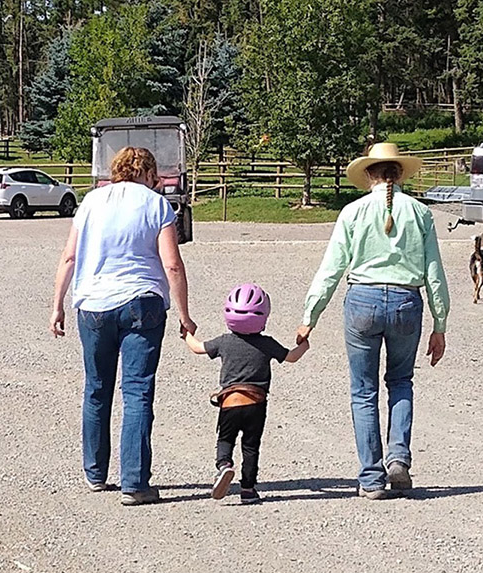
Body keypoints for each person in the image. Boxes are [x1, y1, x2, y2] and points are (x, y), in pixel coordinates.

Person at [297, 142, 450, 500]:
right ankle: (398, 457)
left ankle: (371, 477)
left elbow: (331, 268)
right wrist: (440, 323)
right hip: (405, 301)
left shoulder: (352, 212)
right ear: (398, 174)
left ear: (368, 174)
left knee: (363, 391)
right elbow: (434, 274)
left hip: (362, 300)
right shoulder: (421, 213)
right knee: (400, 380)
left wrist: (310, 316)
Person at [49, 146, 197, 506]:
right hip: (141, 302)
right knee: (138, 392)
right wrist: (184, 314)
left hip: (93, 305)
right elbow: (172, 264)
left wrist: (57, 305)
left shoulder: (90, 203)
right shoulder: (156, 204)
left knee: (96, 389)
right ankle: (134, 483)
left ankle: (95, 474)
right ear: (147, 173)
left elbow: (69, 256)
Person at [182, 283, 309, 504]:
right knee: (251, 446)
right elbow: (291, 357)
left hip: (230, 402)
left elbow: (197, 347)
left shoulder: (224, 341)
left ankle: (224, 465)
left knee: (225, 439)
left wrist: (186, 334)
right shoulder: (267, 344)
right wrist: (304, 344)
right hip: (256, 404)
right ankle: (248, 489)